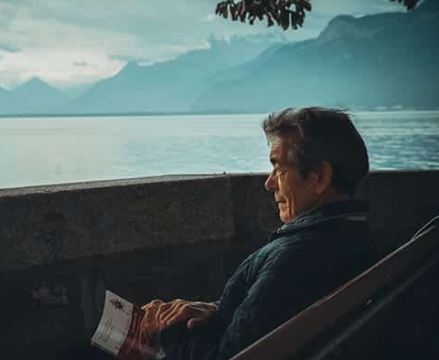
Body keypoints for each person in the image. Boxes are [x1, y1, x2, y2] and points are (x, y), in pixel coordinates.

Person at [140, 107, 375, 360]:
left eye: (278, 167)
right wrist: (215, 311)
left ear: (320, 176)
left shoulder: (294, 260)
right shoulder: (350, 237)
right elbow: (268, 317)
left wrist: (166, 329)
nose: (269, 183)